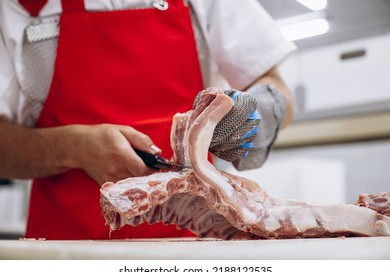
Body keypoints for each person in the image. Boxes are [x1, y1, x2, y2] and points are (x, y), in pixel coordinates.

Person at [0, 0, 296, 240]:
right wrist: (72, 147)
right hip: (65, 250)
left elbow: (277, 88)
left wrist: (250, 118)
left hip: (197, 241)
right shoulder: (17, 7)